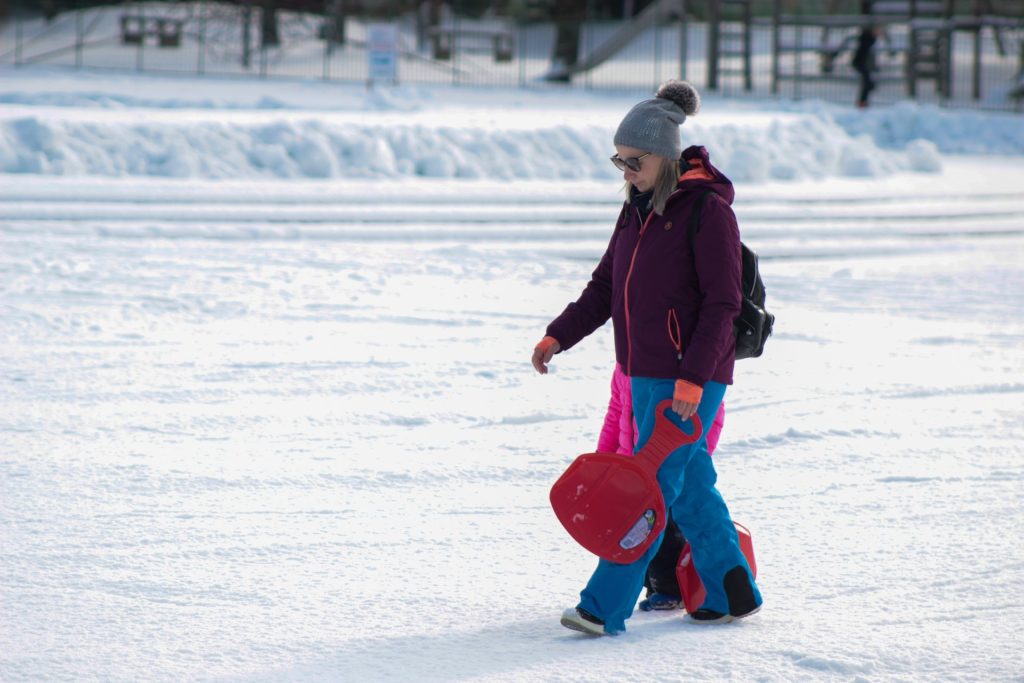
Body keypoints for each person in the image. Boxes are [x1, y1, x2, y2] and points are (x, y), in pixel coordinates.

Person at [531, 79, 762, 634]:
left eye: (635, 161)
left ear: (665, 156)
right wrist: (558, 335)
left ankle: (601, 606)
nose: (626, 171)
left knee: (648, 491)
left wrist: (693, 378)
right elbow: (604, 287)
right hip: (643, 374)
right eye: (620, 160)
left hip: (687, 377)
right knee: (692, 489)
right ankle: (732, 590)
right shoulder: (635, 212)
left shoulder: (708, 212)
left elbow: (723, 303)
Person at [596, 361, 727, 612]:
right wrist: (604, 457)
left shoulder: (674, 365)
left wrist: (694, 454)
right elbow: (616, 412)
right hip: (632, 462)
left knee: (663, 526)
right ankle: (652, 585)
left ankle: (671, 587)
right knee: (631, 529)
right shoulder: (623, 367)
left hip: (667, 460)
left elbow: (711, 417)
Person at [853, 25, 883, 108]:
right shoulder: (867, 38)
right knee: (868, 83)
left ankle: (863, 102)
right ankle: (862, 102)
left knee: (868, 83)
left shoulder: (868, 39)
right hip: (860, 63)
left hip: (862, 63)